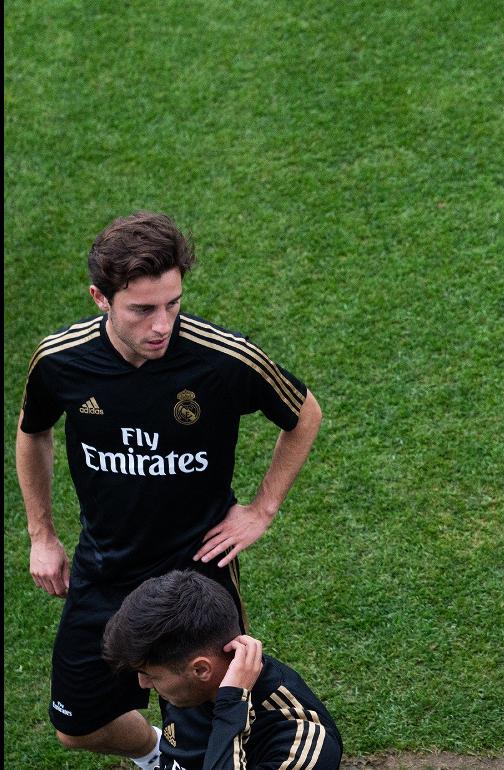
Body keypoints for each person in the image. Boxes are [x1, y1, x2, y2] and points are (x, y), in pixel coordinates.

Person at [17, 211, 323, 767]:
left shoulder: (223, 358)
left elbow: (304, 415)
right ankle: (161, 759)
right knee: (77, 724)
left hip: (197, 573)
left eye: (173, 303)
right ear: (100, 298)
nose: (163, 324)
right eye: (143, 309)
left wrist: (261, 509)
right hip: (105, 566)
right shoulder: (61, 361)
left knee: (219, 721)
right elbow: (32, 432)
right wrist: (43, 534)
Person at [102, 570, 342, 770]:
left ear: (202, 669)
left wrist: (230, 707)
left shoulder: (300, 740)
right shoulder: (187, 687)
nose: (143, 683)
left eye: (150, 675)